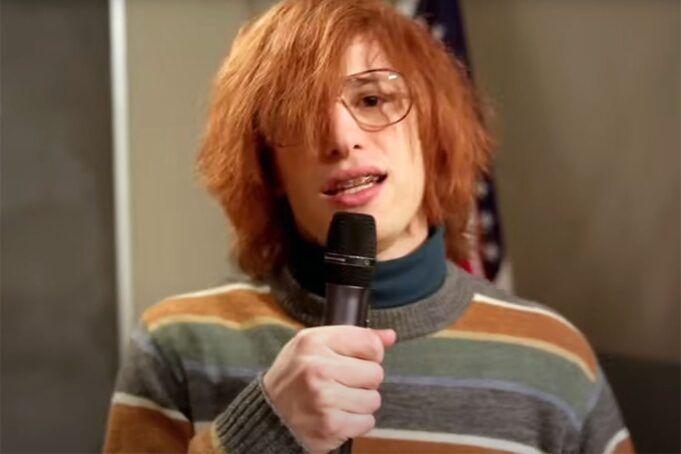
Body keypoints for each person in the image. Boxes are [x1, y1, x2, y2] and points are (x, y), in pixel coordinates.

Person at [103, 0, 634, 452]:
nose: (341, 137)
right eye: (299, 113)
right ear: (269, 167)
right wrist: (265, 428)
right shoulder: (177, 345)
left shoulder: (555, 357)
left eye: (373, 99)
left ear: (433, 129)